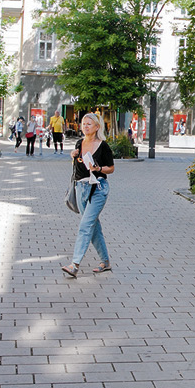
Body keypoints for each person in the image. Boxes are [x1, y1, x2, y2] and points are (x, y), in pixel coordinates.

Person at [61, 113, 115, 278]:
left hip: (97, 189)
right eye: (83, 123)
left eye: (89, 124)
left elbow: (111, 168)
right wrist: (73, 156)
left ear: (97, 127)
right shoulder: (79, 143)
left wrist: (98, 168)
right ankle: (105, 262)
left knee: (85, 226)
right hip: (80, 188)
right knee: (93, 227)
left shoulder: (103, 146)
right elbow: (78, 168)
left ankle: (75, 264)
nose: (85, 126)